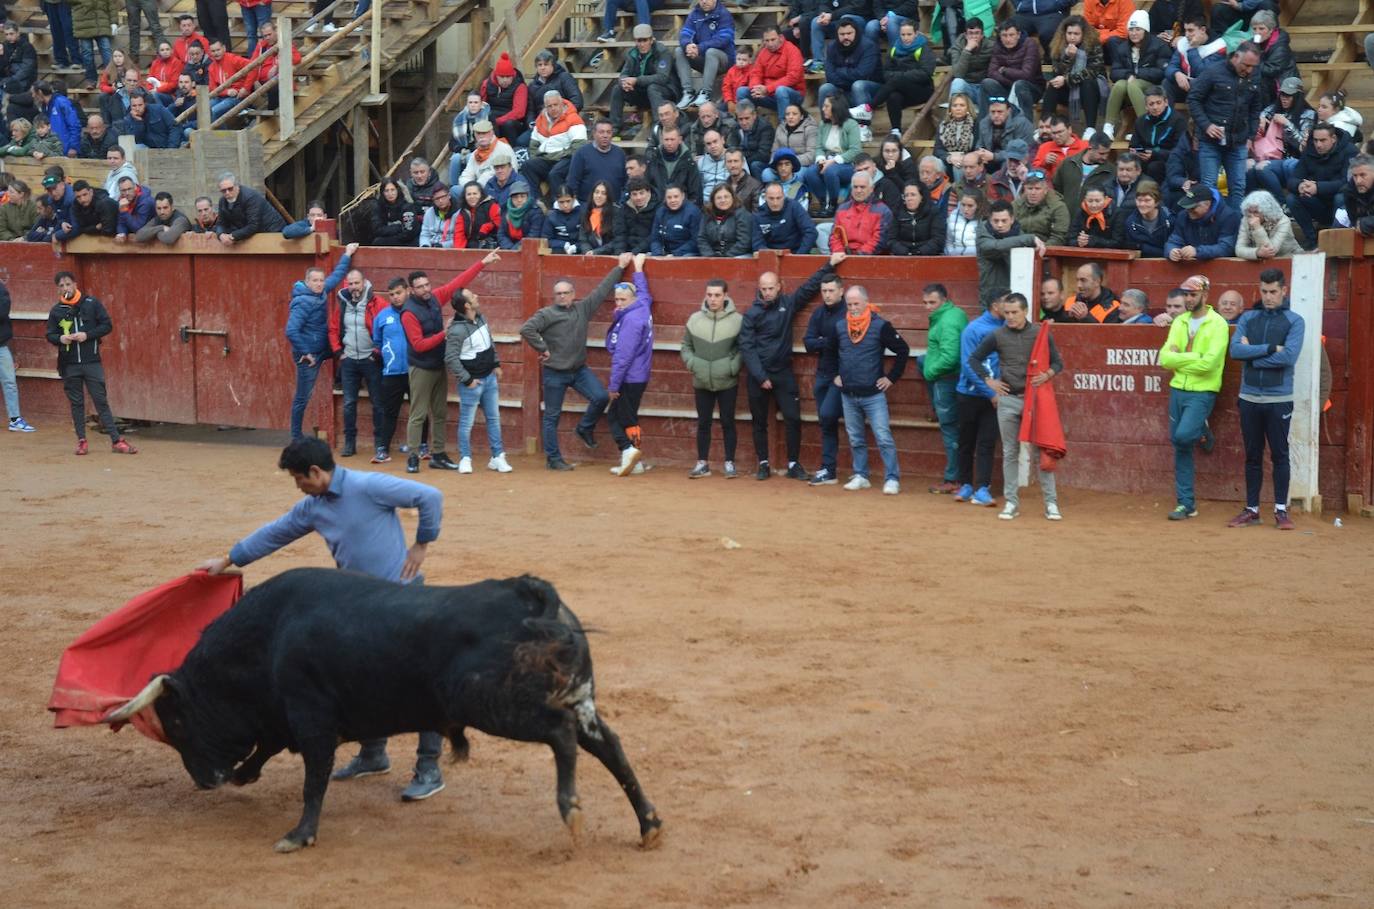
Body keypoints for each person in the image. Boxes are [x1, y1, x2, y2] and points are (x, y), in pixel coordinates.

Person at [198, 437, 447, 802]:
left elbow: (431, 496)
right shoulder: (314, 506)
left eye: (299, 478)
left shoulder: (367, 485)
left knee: (420, 684)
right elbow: (275, 532)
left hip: (403, 599)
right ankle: (373, 755)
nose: (298, 485)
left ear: (315, 472)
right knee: (362, 683)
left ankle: (430, 767)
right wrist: (228, 559)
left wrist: (422, 544)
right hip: (357, 606)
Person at [520, 254, 632, 470]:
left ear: (573, 294)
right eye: (558, 294)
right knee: (552, 416)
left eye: (565, 293)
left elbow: (602, 290)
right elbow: (526, 329)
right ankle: (553, 459)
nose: (562, 297)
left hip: (578, 370)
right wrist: (542, 348)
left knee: (600, 397)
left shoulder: (583, 309)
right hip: (555, 373)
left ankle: (584, 427)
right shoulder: (547, 314)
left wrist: (619, 267)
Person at [966, 291, 1063, 520]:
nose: (1010, 317)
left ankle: (1051, 503)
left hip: (1034, 398)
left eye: (1014, 312)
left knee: (1043, 450)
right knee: (1010, 451)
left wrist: (1047, 374)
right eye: (1006, 312)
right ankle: (1011, 502)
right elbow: (973, 359)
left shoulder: (1040, 334)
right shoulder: (997, 335)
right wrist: (989, 381)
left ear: (1026, 311)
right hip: (1009, 399)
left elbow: (1059, 362)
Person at [738, 257, 837, 481]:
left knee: (793, 418)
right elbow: (747, 347)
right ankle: (763, 463)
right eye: (763, 289)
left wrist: (830, 265)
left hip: (783, 371)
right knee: (759, 421)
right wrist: (760, 375)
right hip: (758, 374)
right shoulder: (751, 314)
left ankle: (793, 463)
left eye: (771, 288)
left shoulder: (788, 304)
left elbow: (809, 288)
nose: (767, 292)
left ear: (779, 287)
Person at [402, 253, 498, 473]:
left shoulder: (435, 298)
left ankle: (438, 454)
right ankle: (413, 456)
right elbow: (418, 344)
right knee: (418, 413)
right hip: (420, 367)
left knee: (439, 412)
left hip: (438, 364)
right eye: (420, 287)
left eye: (427, 285)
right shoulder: (408, 313)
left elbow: (459, 282)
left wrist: (482, 262)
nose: (426, 289)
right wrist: (443, 334)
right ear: (412, 290)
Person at [1227, 268, 1303, 530]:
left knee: (1280, 454)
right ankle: (1252, 509)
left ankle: (1281, 510)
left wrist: (1253, 355)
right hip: (1249, 397)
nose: (1268, 296)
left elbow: (1289, 357)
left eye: (1273, 291)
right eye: (1264, 291)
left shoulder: (1295, 321)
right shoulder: (1249, 317)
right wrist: (1270, 349)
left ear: (1284, 291)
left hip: (1278, 398)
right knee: (1252, 455)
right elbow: (1235, 350)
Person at [827, 285, 909, 495]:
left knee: (883, 437)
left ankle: (892, 478)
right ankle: (861, 475)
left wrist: (891, 378)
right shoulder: (839, 326)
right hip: (848, 393)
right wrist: (835, 374)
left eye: (856, 304)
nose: (853, 308)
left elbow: (903, 350)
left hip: (873, 394)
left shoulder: (880, 325)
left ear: (865, 302)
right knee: (855, 438)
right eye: (850, 304)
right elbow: (830, 353)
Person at [45, 271, 137, 455]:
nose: (66, 288)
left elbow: (106, 325)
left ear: (75, 284)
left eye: (68, 284)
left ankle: (116, 440)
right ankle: (82, 440)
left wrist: (87, 335)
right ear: (58, 289)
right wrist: (61, 338)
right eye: (62, 286)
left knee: (101, 401)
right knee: (76, 403)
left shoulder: (91, 303)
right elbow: (50, 335)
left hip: (91, 362)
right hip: (69, 363)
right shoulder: (57, 310)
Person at [1160, 274, 1228, 521]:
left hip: (1202, 391)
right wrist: (1193, 358)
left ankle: (1201, 428)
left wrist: (1180, 360)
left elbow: (1209, 365)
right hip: (1178, 389)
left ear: (1205, 295)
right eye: (1186, 295)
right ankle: (1186, 504)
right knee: (1180, 445)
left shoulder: (1218, 324)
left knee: (1182, 436)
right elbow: (1164, 358)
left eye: (1193, 295)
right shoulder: (1180, 323)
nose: (1188, 299)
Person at [285, 243, 358, 442]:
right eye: (315, 281)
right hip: (309, 355)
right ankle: (296, 437)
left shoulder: (322, 290)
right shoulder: (301, 302)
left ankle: (340, 379)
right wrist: (306, 352)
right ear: (307, 282)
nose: (319, 284)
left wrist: (347, 254)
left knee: (346, 350)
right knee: (302, 397)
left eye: (320, 280)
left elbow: (336, 275)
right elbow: (291, 330)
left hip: (322, 345)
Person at [444, 283, 512, 475]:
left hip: (489, 379)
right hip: (472, 383)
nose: (476, 296)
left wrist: (496, 364)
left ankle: (497, 456)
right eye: (471, 296)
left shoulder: (481, 319)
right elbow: (450, 358)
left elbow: (489, 343)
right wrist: (467, 380)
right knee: (467, 422)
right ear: (466, 305)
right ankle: (465, 457)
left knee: (493, 418)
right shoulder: (457, 331)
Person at [1188, 43, 1262, 214]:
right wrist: (1206, 125)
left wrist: (1251, 136)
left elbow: (1255, 108)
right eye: (1246, 65)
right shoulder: (1213, 72)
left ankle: (1235, 230)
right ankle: (1210, 226)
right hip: (1210, 141)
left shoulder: (1254, 77)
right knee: (1208, 185)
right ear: (1236, 57)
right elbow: (1193, 99)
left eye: (1253, 66)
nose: (1249, 70)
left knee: (1238, 187)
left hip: (1238, 141)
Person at [681, 277, 742, 478]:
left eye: (717, 295)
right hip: (701, 380)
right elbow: (686, 347)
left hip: (727, 380)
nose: (713, 299)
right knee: (703, 422)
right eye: (709, 295)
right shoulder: (694, 319)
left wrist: (732, 367)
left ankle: (730, 462)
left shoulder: (738, 321)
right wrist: (693, 364)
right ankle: (702, 463)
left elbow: (743, 348)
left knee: (728, 422)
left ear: (725, 296)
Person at [602, 254, 655, 476]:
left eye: (623, 300)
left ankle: (628, 450)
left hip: (629, 377)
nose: (619, 303)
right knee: (629, 417)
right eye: (617, 299)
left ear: (631, 300)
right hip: (639, 374)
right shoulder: (641, 305)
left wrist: (614, 386)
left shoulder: (631, 321)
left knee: (615, 417)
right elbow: (643, 292)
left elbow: (622, 358)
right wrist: (639, 268)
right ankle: (635, 461)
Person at [954, 294, 1004, 506]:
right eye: (1006, 304)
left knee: (986, 443)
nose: (1010, 309)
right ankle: (965, 484)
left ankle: (982, 487)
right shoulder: (973, 329)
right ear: (995, 305)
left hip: (993, 395)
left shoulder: (1008, 328)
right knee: (966, 442)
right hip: (970, 395)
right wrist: (991, 392)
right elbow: (968, 365)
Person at [801, 261, 848, 486]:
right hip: (823, 374)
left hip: (842, 376)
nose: (827, 295)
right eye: (824, 291)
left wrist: (822, 342)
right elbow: (808, 343)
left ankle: (839, 468)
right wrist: (828, 342)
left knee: (829, 415)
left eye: (831, 291)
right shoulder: (819, 313)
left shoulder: (848, 312)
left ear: (841, 291)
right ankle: (829, 469)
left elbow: (845, 345)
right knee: (825, 421)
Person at [920, 283, 967, 494]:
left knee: (950, 429)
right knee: (921, 360)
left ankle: (953, 479)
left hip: (946, 379)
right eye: (925, 303)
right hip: (955, 377)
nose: (928, 307)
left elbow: (949, 358)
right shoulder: (954, 314)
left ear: (944, 300)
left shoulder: (946, 323)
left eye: (933, 302)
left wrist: (930, 372)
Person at [1285, 122, 1355, 249]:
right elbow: (1292, 179)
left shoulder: (1349, 151)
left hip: (1341, 205)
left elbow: (1348, 183)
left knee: (1341, 197)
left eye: (1323, 140)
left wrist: (1318, 187)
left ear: (1333, 139)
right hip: (1318, 204)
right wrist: (1300, 185)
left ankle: (1335, 241)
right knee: (1292, 198)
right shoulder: (1310, 151)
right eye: (1316, 140)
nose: (1318, 144)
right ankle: (1311, 240)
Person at [1102, 11, 1169, 139]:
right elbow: (1114, 72)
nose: (1133, 33)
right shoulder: (1122, 48)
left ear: (1145, 30)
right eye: (1131, 29)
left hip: (1153, 85)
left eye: (1138, 29)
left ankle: (1146, 126)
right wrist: (1128, 74)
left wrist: (1137, 73)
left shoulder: (1159, 45)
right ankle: (1108, 126)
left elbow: (1161, 72)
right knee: (1120, 84)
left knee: (1132, 85)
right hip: (1130, 85)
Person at [1038, 16, 1105, 135]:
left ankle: (1090, 129)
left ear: (1083, 34)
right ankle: (1044, 126)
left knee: (1087, 83)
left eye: (1076, 33)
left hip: (1090, 90)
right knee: (1053, 85)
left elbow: (1093, 71)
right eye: (1069, 33)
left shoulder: (1093, 45)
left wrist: (1066, 79)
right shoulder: (1059, 45)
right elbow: (1057, 71)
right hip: (1069, 90)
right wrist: (1068, 58)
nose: (1072, 37)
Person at [868, 19, 936, 136]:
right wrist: (901, 77)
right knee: (893, 96)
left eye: (909, 34)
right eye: (903, 34)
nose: (905, 37)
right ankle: (896, 131)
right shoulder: (894, 48)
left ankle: (869, 108)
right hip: (900, 88)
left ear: (916, 34)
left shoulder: (924, 48)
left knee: (896, 80)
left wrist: (902, 76)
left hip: (922, 90)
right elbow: (886, 72)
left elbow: (926, 73)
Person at [369, 277, 411, 463]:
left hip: (415, 370)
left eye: (399, 293)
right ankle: (383, 448)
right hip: (392, 372)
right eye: (392, 294)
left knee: (419, 410)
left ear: (407, 291)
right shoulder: (382, 317)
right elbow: (377, 341)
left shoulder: (416, 313)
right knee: (389, 412)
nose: (395, 297)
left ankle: (422, 446)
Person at [608, 25, 676, 139]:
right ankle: (615, 127)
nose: (642, 44)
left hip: (666, 93)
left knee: (653, 87)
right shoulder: (632, 54)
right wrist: (624, 83)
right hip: (644, 94)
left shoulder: (662, 52)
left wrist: (637, 80)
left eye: (645, 40)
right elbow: (623, 74)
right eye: (639, 41)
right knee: (617, 88)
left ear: (651, 40)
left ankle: (657, 129)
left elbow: (662, 78)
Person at [817, 19, 881, 140]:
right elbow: (830, 76)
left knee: (858, 85)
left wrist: (841, 71)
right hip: (844, 90)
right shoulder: (832, 47)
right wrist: (848, 75)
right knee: (825, 88)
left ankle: (863, 128)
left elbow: (863, 74)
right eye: (842, 34)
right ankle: (828, 127)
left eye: (849, 33)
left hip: (871, 89)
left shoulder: (868, 46)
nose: (846, 37)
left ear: (856, 32)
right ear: (837, 35)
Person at [801, 92, 861, 218]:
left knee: (830, 171)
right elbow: (819, 147)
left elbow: (855, 150)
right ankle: (823, 204)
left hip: (847, 164)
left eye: (826, 106)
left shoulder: (851, 124)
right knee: (810, 172)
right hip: (828, 161)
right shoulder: (824, 124)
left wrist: (833, 161)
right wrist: (821, 159)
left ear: (836, 107)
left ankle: (833, 205)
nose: (823, 109)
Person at [522, 90, 587, 204]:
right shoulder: (541, 120)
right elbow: (533, 145)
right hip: (547, 158)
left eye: (555, 105)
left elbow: (579, 147)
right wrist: (536, 158)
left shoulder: (573, 118)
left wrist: (559, 155)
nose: (553, 108)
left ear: (562, 103)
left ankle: (557, 205)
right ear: (545, 107)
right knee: (527, 166)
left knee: (554, 174)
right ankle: (536, 203)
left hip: (567, 158)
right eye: (549, 106)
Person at [976, 200, 1044, 308]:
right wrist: (1030, 238)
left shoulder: (1019, 235)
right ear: (989, 220)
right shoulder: (983, 234)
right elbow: (995, 246)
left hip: (1014, 295)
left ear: (1012, 220)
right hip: (991, 298)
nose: (1000, 225)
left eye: (1004, 221)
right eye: (996, 221)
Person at [675, 0, 734, 109]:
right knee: (679, 51)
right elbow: (685, 33)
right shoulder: (694, 14)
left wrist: (699, 48)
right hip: (704, 58)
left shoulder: (724, 14)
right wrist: (688, 45)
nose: (704, 1)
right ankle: (688, 92)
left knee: (711, 52)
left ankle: (705, 93)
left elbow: (723, 40)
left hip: (724, 60)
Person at [980, 20, 1044, 118]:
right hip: (1007, 87)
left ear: (1018, 35)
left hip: (1031, 88)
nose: (1008, 39)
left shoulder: (1029, 44)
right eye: (1004, 35)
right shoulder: (998, 46)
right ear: (1000, 36)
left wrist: (1004, 71)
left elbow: (1027, 75)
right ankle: (984, 127)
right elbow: (991, 72)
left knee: (1019, 85)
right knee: (986, 83)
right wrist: (1011, 83)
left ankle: (1026, 128)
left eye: (1011, 35)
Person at [1166, 185, 1240, 262]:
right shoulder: (1183, 216)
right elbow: (1174, 240)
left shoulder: (1229, 216)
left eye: (1193, 207)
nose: (1189, 211)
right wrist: (1171, 251)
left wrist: (1197, 251)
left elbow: (1226, 248)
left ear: (1207, 204)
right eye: (1187, 207)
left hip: (1223, 268)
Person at [0, 278, 35, 432]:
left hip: (0, 345)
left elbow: (2, 311)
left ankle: (15, 419)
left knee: (9, 382)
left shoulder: (1, 290)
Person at [743, 26, 805, 115]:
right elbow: (756, 73)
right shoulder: (763, 52)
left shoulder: (792, 50)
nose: (770, 44)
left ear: (780, 37)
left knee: (781, 90)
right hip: (767, 94)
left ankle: (783, 126)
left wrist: (768, 89)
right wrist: (755, 88)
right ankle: (749, 125)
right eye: (767, 41)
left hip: (792, 94)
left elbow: (793, 77)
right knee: (742, 91)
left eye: (773, 40)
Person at [565, 118, 626, 206]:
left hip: (614, 206)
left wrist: (621, 202)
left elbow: (625, 181)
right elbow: (572, 181)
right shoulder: (581, 153)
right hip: (587, 206)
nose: (605, 135)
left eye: (608, 132)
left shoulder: (620, 154)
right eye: (601, 132)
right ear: (594, 134)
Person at [216, 172, 285, 245]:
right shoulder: (222, 201)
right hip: (253, 234)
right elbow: (221, 223)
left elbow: (253, 225)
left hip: (273, 231)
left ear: (237, 186)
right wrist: (221, 235)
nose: (227, 193)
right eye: (223, 190)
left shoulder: (251, 197)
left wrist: (232, 236)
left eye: (230, 189)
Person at [752, 180, 818, 253]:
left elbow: (811, 231)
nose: (775, 203)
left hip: (796, 253)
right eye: (771, 198)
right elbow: (757, 244)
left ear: (784, 196)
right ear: (765, 198)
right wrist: (770, 256)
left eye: (778, 198)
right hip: (770, 256)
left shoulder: (794, 207)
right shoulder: (759, 215)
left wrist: (799, 255)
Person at [1236, 189, 1301, 260]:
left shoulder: (1283, 221)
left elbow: (1270, 251)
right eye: (1249, 212)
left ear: (1266, 211)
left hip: (1290, 258)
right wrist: (1256, 253)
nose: (1252, 216)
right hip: (1262, 261)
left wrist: (1258, 228)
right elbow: (1239, 249)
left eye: (1256, 212)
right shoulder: (1246, 219)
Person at [479, 52, 528, 146]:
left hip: (512, 121)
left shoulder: (520, 87)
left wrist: (498, 121)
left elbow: (519, 112)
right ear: (496, 75)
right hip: (491, 117)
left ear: (512, 76)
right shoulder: (486, 84)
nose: (505, 80)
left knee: (508, 124)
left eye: (508, 77)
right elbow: (482, 105)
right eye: (502, 77)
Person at [1114, 180, 1172, 257]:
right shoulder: (1131, 222)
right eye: (1139, 200)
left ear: (1157, 202)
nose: (1142, 204)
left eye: (1147, 200)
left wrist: (1142, 247)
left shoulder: (1169, 220)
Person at [888, 181, 946, 255]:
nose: (909, 198)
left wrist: (920, 252)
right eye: (906, 195)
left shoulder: (933, 212)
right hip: (902, 256)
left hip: (928, 255)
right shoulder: (897, 212)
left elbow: (938, 239)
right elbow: (891, 240)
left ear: (921, 197)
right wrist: (905, 252)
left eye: (913, 195)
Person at [947, 18, 994, 105]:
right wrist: (967, 50)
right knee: (957, 82)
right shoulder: (958, 46)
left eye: (977, 33)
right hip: (967, 87)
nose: (974, 37)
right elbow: (958, 74)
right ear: (965, 35)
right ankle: (952, 116)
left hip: (984, 87)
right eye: (970, 33)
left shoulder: (991, 46)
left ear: (982, 35)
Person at [698, 184, 753, 257]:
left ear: (733, 198)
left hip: (736, 255)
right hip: (712, 256)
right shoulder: (707, 215)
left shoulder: (742, 214)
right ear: (713, 200)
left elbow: (744, 241)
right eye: (718, 198)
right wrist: (710, 256)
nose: (723, 200)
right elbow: (702, 239)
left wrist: (726, 257)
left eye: (726, 197)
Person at [648, 184, 701, 256]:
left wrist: (675, 254)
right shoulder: (660, 212)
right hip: (665, 253)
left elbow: (695, 241)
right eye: (669, 197)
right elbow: (655, 239)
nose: (672, 200)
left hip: (686, 253)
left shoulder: (693, 212)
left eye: (676, 197)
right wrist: (658, 254)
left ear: (683, 196)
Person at [496, 179, 545, 249]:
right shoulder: (505, 210)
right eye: (515, 197)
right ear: (511, 198)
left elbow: (533, 235)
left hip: (530, 249)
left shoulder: (535, 211)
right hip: (509, 249)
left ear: (528, 197)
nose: (519, 200)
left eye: (522, 196)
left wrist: (515, 249)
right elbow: (501, 234)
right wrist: (509, 248)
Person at [945, 187, 983, 255]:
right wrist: (951, 254)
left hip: (976, 259)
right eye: (963, 205)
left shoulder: (984, 219)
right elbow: (948, 241)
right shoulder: (953, 216)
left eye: (970, 206)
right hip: (955, 258)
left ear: (978, 206)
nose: (965, 209)